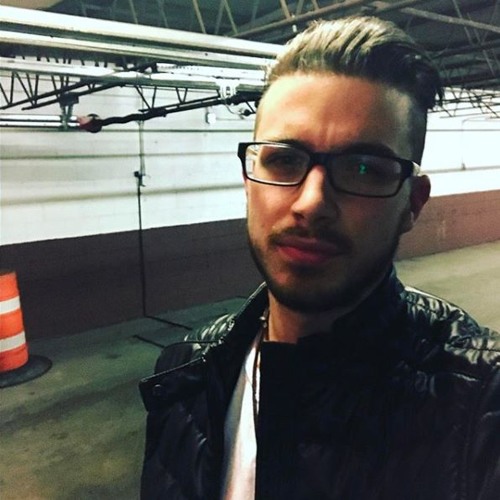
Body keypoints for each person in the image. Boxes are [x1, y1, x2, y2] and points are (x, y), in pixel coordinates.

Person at [139, 16, 500, 500]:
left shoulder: (481, 405)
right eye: (284, 159)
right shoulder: (187, 371)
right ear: (248, 181)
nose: (311, 203)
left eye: (364, 168)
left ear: (412, 204)